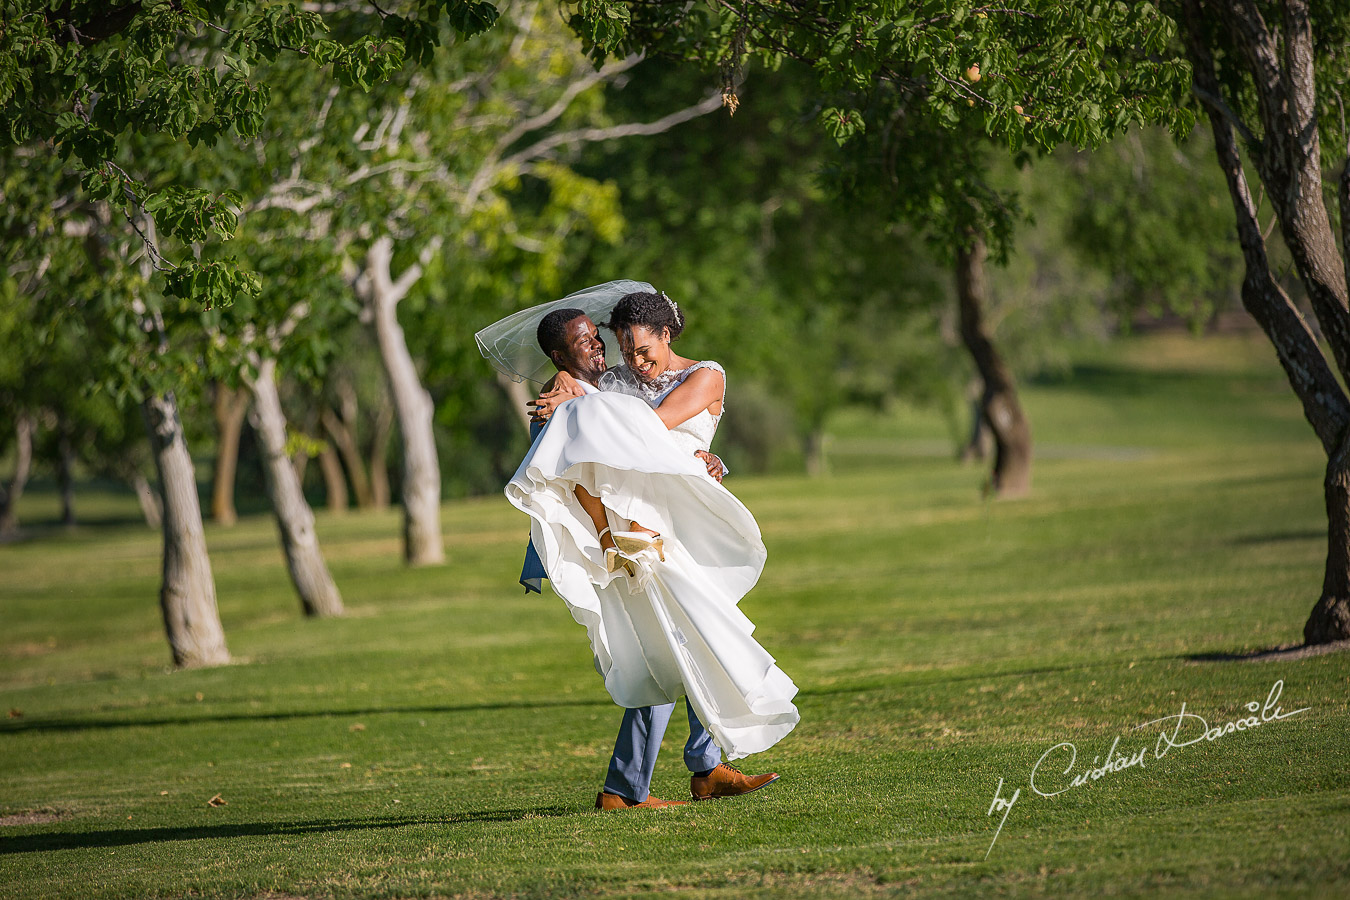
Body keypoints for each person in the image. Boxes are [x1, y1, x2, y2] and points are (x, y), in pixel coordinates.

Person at [504, 290, 799, 811]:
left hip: (687, 517)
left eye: (643, 350)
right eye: (625, 350)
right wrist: (568, 387)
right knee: (680, 637)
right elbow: (588, 432)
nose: (634, 363)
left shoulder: (706, 375)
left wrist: (711, 460)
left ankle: (655, 780)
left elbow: (652, 431)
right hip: (637, 528)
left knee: (680, 637)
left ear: (667, 334)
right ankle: (677, 776)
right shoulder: (616, 383)